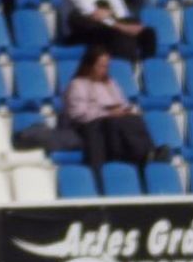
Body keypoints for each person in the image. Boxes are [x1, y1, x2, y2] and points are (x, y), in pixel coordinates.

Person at [63, 44, 156, 172]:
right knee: (115, 122)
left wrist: (126, 110)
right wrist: (106, 113)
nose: (104, 69)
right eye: (101, 66)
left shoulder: (110, 83)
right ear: (90, 65)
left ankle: (148, 151)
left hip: (112, 119)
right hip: (91, 123)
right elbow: (78, 114)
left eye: (106, 66)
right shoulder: (78, 85)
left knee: (134, 118)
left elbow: (121, 103)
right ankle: (140, 153)